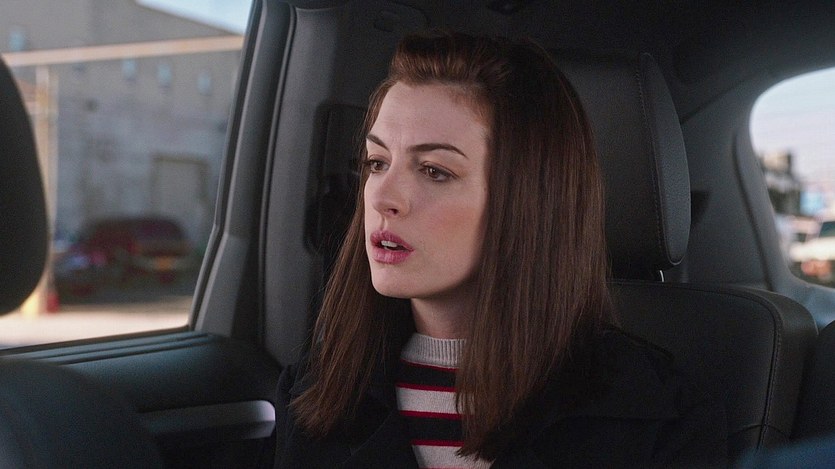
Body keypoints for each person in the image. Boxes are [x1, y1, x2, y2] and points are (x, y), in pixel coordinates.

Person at [273, 31, 727, 468]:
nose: (382, 197)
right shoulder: (315, 395)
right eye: (377, 163)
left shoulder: (661, 418)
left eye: (434, 171)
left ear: (528, 200)